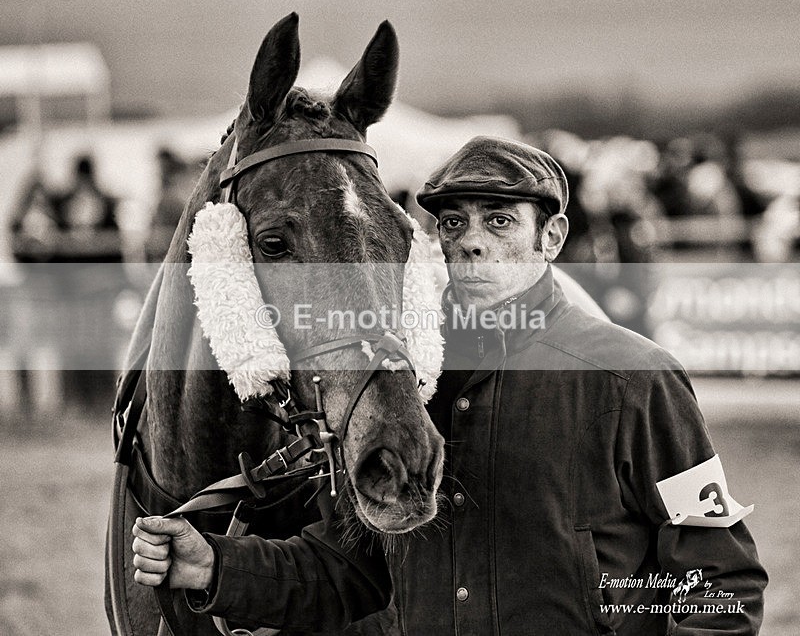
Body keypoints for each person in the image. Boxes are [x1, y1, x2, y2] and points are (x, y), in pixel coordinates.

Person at [133, 136, 767, 635]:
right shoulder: (405, 385)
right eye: (454, 224)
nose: (471, 243)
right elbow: (350, 570)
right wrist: (216, 566)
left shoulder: (635, 378)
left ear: (551, 237)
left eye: (499, 221)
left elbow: (720, 577)